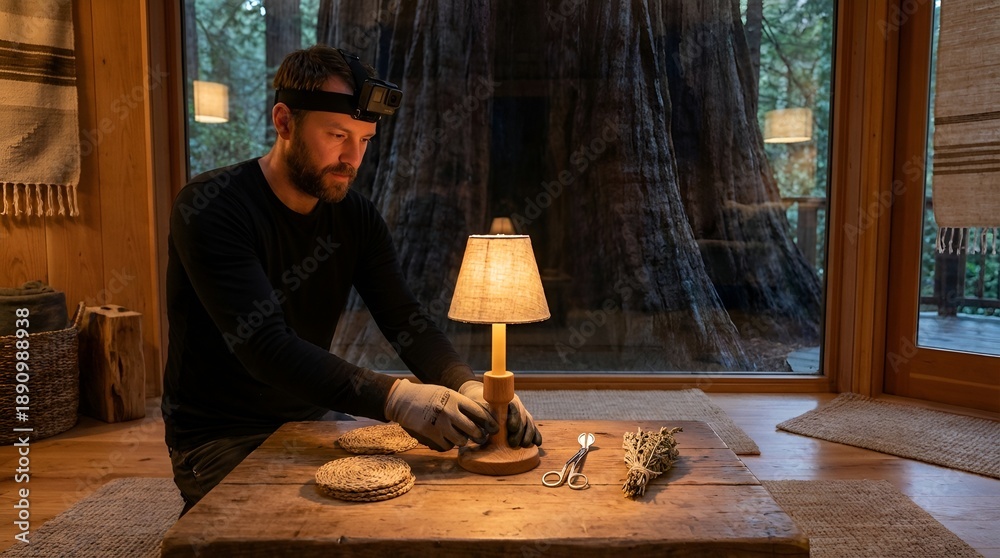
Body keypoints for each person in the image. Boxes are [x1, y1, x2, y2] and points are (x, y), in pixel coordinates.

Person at [163, 45, 541, 516]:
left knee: (402, 512)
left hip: (311, 414)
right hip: (218, 434)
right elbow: (265, 348)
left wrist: (465, 387)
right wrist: (397, 397)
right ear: (284, 122)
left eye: (364, 139)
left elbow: (405, 318)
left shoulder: (354, 216)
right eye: (338, 135)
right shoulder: (212, 208)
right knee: (293, 534)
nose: (352, 158)